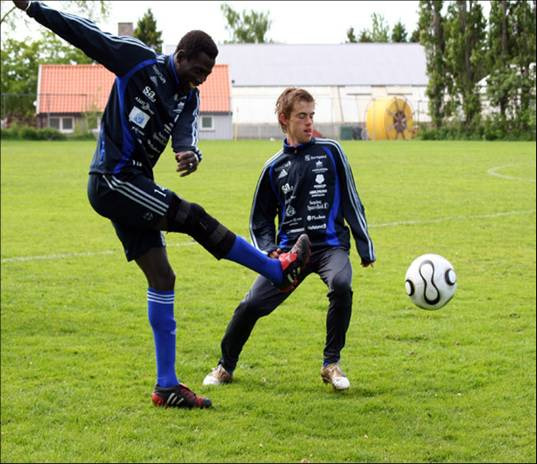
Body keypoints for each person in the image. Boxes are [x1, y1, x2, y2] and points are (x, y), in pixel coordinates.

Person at [13, 1, 311, 409]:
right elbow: (84, 33)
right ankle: (274, 268)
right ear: (181, 56)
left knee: (163, 277)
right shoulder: (137, 61)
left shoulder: (188, 97)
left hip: (135, 186)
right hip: (112, 179)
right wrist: (32, 7)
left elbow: (187, 136)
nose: (201, 80)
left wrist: (190, 154)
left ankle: (166, 386)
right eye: (198, 70)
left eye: (207, 75)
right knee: (193, 217)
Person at [203, 88, 376, 390]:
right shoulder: (273, 167)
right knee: (250, 306)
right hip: (290, 254)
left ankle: (331, 364)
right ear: (284, 119)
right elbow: (259, 219)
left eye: (312, 115)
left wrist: (365, 246)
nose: (309, 122)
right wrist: (269, 251)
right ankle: (225, 366)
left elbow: (352, 199)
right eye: (302, 116)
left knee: (341, 285)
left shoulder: (331, 152)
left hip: (330, 246)